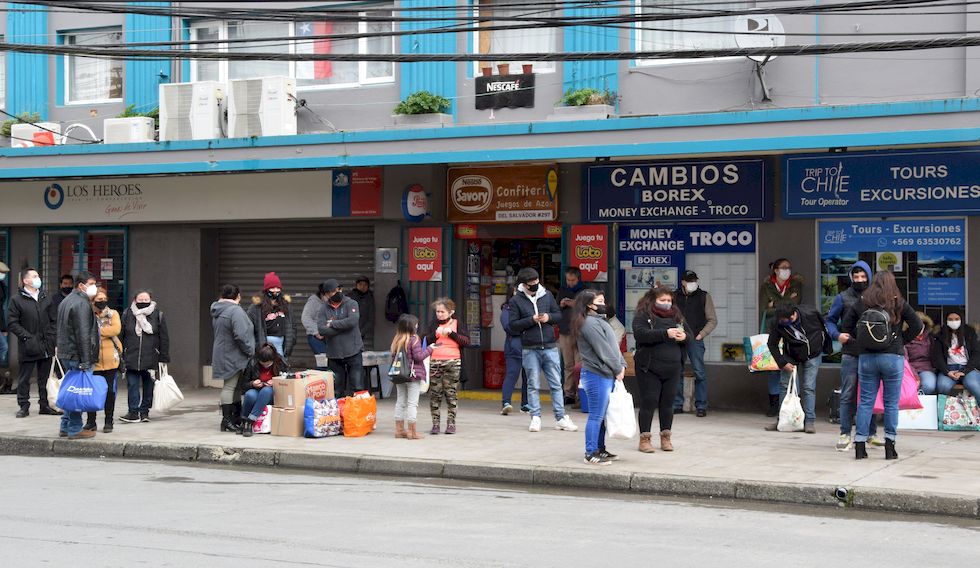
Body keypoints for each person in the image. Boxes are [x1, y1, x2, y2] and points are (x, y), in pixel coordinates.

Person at [841, 270, 923, 460]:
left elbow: (846, 326)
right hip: (892, 357)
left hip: (867, 358)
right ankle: (890, 445)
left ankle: (860, 445)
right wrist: (900, 340)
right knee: (891, 403)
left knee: (865, 402)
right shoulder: (897, 302)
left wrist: (861, 342)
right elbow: (917, 325)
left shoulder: (863, 301)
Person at [509, 267, 577, 433]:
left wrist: (549, 318)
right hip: (529, 347)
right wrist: (531, 320)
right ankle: (535, 417)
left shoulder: (546, 295)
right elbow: (513, 326)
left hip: (549, 346)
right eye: (531, 283)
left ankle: (560, 417)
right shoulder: (516, 301)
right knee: (533, 385)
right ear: (523, 285)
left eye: (536, 282)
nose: (535, 285)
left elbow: (558, 315)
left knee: (555, 384)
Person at [824, 260, 881, 450]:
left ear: (869, 277)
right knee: (848, 394)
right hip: (850, 352)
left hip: (871, 352)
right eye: (856, 276)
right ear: (851, 278)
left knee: (869, 394)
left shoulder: (876, 296)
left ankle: (870, 433)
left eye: (863, 276)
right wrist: (836, 335)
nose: (859, 280)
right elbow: (830, 321)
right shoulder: (843, 297)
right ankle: (845, 433)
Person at [571, 289, 626, 466]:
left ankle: (600, 449)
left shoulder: (600, 321)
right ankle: (590, 452)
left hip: (606, 373)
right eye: (600, 302)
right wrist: (618, 368)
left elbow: (614, 348)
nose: (604, 305)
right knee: (596, 415)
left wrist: (622, 364)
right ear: (589, 305)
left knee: (602, 415)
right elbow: (604, 350)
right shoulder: (589, 324)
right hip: (596, 374)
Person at [632, 286, 690, 453]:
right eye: (662, 300)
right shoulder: (644, 315)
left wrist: (684, 336)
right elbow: (640, 334)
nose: (666, 304)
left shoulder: (677, 317)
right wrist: (665, 334)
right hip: (649, 368)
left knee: (667, 404)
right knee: (648, 402)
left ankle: (666, 438)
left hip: (672, 368)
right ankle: (644, 439)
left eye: (669, 301)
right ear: (653, 300)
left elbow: (690, 336)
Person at [764, 304, 833, 434]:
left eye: (786, 321)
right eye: (781, 321)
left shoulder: (811, 314)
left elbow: (824, 329)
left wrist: (826, 348)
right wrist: (782, 363)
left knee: (808, 387)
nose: (783, 323)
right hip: (791, 354)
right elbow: (772, 344)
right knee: (785, 386)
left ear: (794, 315)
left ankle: (809, 421)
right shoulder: (778, 322)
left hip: (813, 354)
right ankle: (782, 420)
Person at [7, 268, 59, 418]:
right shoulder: (16, 300)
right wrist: (27, 337)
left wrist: (52, 337)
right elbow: (12, 323)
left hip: (46, 344)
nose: (38, 278)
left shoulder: (45, 297)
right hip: (28, 345)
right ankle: (23, 406)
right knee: (25, 378)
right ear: (26, 280)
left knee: (45, 378)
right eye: (35, 276)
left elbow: (53, 320)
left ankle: (44, 405)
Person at [56, 271, 100, 440]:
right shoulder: (81, 303)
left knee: (71, 390)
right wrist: (86, 360)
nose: (94, 287)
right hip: (78, 355)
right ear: (82, 285)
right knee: (78, 393)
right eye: (91, 283)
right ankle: (74, 428)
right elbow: (83, 333)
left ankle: (65, 426)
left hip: (68, 352)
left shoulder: (67, 301)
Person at [759, 258, 803, 417]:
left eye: (788, 268)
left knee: (791, 366)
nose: (787, 270)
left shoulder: (796, 285)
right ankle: (774, 405)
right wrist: (786, 301)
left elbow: (794, 306)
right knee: (773, 368)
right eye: (783, 268)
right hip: (773, 330)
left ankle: (793, 403)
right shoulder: (766, 286)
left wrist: (775, 304)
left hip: (791, 332)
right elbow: (765, 308)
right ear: (776, 270)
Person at [119, 290, 170, 424]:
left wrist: (163, 356)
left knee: (149, 387)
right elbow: (121, 335)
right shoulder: (127, 314)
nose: (143, 302)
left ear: (151, 300)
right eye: (140, 300)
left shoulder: (158, 315)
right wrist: (120, 353)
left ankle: (144, 411)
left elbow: (164, 337)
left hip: (151, 356)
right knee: (132, 385)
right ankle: (133, 412)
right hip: (131, 356)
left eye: (146, 300)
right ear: (135, 300)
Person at [211, 284, 256, 433]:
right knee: (230, 386)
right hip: (233, 353)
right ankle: (227, 419)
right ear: (238, 296)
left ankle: (235, 417)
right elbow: (241, 335)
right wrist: (250, 350)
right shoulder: (235, 311)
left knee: (234, 385)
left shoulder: (219, 309)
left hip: (224, 351)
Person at [674, 270, 717, 417]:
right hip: (677, 338)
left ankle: (701, 406)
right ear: (683, 282)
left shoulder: (704, 296)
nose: (692, 283)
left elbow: (712, 320)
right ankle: (677, 404)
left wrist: (701, 334)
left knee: (699, 372)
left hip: (695, 339)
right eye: (689, 280)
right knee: (676, 371)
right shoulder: (674, 296)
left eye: (694, 280)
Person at [425, 298, 470, 434]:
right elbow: (424, 339)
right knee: (435, 395)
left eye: (442, 312)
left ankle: (451, 423)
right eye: (437, 312)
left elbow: (466, 341)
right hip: (435, 363)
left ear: (451, 312)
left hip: (453, 362)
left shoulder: (458, 324)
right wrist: (436, 334)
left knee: (451, 394)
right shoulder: (433, 324)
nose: (439, 314)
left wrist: (452, 334)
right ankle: (435, 424)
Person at [317, 278, 363, 398]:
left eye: (338, 289)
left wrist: (332, 324)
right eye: (332, 291)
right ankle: (338, 414)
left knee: (357, 386)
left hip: (353, 351)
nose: (336, 292)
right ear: (327, 294)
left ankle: (357, 414)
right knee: (336, 389)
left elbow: (352, 321)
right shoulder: (323, 309)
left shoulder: (352, 303)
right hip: (334, 354)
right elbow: (321, 329)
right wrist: (343, 326)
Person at [85, 288, 121, 433]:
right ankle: (91, 421)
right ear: (92, 301)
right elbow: (85, 333)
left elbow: (116, 330)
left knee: (110, 393)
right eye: (98, 300)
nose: (102, 302)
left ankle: (109, 421)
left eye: (104, 299)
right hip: (94, 361)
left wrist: (96, 332)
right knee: (91, 393)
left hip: (111, 360)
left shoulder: (113, 313)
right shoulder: (87, 314)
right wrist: (103, 331)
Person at [390, 314, 432, 440]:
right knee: (412, 404)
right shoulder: (414, 339)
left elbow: (393, 358)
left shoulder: (396, 339)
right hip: (413, 375)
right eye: (416, 324)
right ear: (412, 327)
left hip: (399, 376)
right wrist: (430, 349)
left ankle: (399, 430)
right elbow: (418, 357)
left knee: (400, 402)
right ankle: (411, 432)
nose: (417, 326)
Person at [237, 343, 286, 437]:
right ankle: (243, 422)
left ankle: (250, 421)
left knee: (266, 391)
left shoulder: (280, 361)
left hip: (272, 394)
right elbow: (243, 385)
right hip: (256, 391)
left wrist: (275, 382)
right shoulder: (252, 362)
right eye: (262, 364)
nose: (265, 366)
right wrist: (252, 383)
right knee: (250, 395)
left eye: (268, 364)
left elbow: (287, 380)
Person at [931, 310, 980, 397]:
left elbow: (976, 353)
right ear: (946, 321)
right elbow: (937, 356)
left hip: (968, 368)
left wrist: (964, 371)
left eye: (957, 319)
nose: (954, 321)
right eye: (950, 319)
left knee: (974, 385)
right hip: (949, 369)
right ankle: (941, 410)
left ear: (961, 319)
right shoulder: (940, 334)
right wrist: (947, 371)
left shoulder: (969, 332)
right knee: (942, 387)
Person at [247, 272, 295, 360]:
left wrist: (291, 341)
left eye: (278, 288)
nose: (275, 291)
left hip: (282, 345)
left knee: (280, 369)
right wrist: (256, 346)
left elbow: (292, 326)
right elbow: (249, 328)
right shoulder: (256, 307)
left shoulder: (286, 305)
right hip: (264, 346)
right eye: (272, 288)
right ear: (266, 289)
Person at [557, 267, 585, 406]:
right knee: (568, 364)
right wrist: (562, 303)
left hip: (579, 332)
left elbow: (582, 305)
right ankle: (568, 393)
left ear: (578, 279)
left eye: (572, 280)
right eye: (568, 280)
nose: (570, 282)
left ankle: (580, 395)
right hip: (564, 331)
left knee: (579, 364)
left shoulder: (584, 291)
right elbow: (556, 306)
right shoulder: (563, 289)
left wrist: (569, 303)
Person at [500, 285, 530, 415]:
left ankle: (525, 404)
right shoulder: (507, 309)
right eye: (516, 291)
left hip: (529, 345)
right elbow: (509, 327)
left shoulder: (528, 307)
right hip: (514, 346)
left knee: (528, 376)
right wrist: (524, 327)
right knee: (512, 374)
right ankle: (506, 402)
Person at [906, 312, 938, 394]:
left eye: (921, 323)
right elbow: (904, 360)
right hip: (909, 369)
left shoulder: (930, 338)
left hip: (927, 369)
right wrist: (915, 376)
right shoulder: (904, 339)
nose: (919, 327)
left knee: (929, 385)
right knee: (909, 387)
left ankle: (918, 400)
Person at [301, 282, 328, 370]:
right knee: (323, 362)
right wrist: (316, 332)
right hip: (316, 337)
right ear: (322, 294)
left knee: (328, 362)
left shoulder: (328, 303)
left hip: (326, 336)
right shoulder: (313, 301)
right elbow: (305, 318)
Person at [349, 276, 375, 349]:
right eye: (360, 284)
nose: (362, 287)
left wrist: (361, 332)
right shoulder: (349, 297)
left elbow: (371, 319)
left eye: (365, 285)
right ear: (356, 285)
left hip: (361, 332)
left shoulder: (369, 298)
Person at [0, 261, 9, 393]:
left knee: (3, 347)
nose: (3, 275)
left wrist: (4, 327)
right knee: (3, 347)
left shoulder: (2, 285)